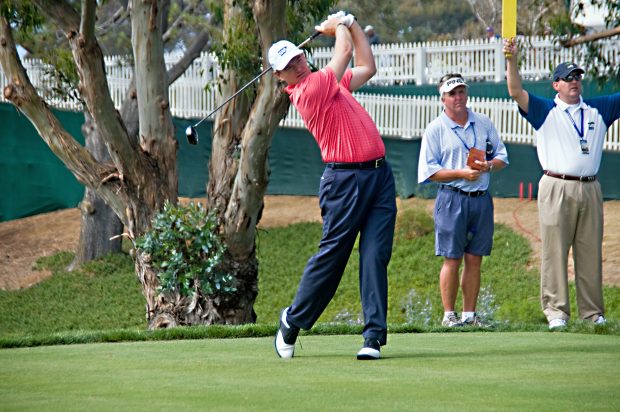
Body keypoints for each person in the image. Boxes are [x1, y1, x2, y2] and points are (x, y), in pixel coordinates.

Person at [269, 11, 397, 360]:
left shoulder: (329, 83)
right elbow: (342, 54)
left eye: (297, 57)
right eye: (288, 64)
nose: (296, 64)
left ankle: (373, 337)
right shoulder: (308, 90)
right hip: (344, 183)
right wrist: (337, 27)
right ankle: (292, 321)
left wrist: (352, 24)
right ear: (281, 77)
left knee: (375, 256)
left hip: (379, 178)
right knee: (333, 259)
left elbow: (366, 65)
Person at [503, 39, 620, 329]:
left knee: (590, 251)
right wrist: (511, 60)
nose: (575, 82)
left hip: (590, 187)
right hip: (556, 185)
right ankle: (556, 312)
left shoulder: (597, 109)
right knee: (554, 251)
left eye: (577, 77)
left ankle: (593, 313)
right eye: (568, 78)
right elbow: (515, 91)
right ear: (556, 84)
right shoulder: (545, 110)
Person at [418, 73, 508, 328]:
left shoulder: (482, 123)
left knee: (475, 257)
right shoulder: (436, 129)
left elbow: (502, 155)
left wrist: (489, 166)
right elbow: (429, 172)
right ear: (443, 99)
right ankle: (449, 316)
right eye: (452, 93)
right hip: (452, 197)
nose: (458, 97)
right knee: (452, 257)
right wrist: (461, 173)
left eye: (461, 92)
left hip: (480, 198)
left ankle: (469, 316)